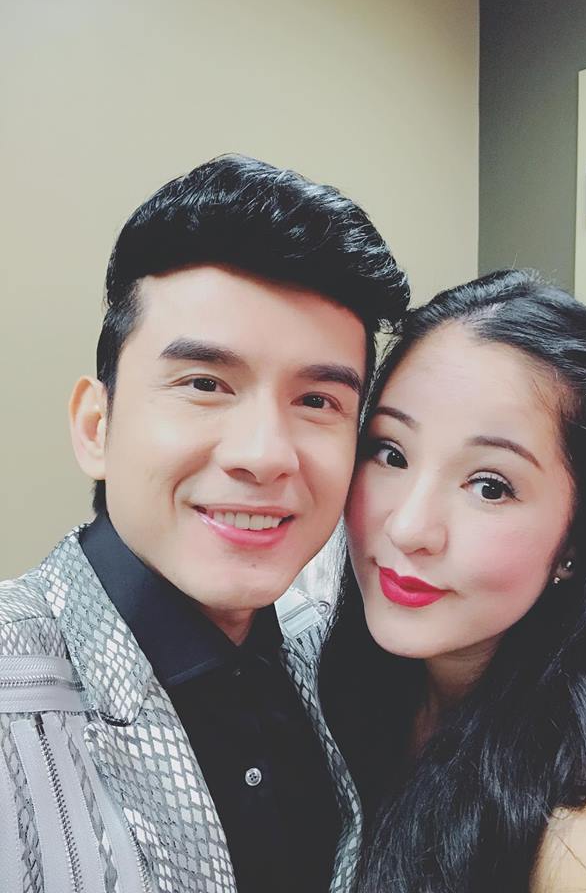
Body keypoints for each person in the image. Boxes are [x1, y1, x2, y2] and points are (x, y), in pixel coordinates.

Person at [0, 154, 409, 893]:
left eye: (318, 401)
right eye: (205, 384)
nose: (265, 455)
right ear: (97, 426)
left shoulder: (346, 659)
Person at [320, 269, 586, 892]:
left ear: (578, 541)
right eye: (392, 453)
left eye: (490, 486)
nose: (409, 527)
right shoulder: (363, 676)